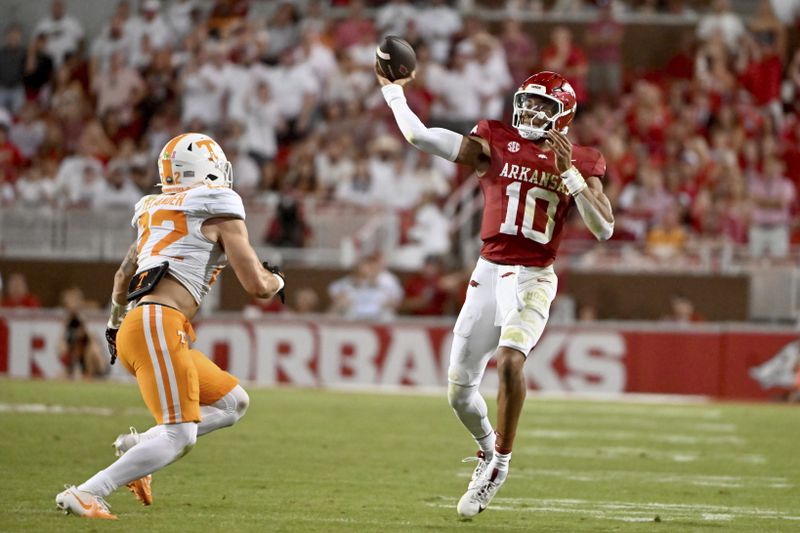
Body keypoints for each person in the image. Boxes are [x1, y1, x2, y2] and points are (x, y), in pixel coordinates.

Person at [376, 67, 614, 517]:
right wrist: (392, 91)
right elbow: (421, 137)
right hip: (487, 274)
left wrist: (571, 177)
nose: (530, 111)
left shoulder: (581, 159)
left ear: (563, 114)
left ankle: (500, 464)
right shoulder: (495, 141)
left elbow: (604, 229)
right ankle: (486, 448)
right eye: (527, 100)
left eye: (543, 105)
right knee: (459, 393)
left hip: (533, 277)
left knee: (510, 359)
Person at [55, 133, 286, 519]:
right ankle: (87, 492)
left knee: (233, 403)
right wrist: (280, 281)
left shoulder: (153, 210)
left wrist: (113, 325)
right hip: (157, 325)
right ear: (208, 169)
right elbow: (257, 285)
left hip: (143, 324)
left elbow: (121, 275)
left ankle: (140, 445)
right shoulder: (220, 208)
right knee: (181, 436)